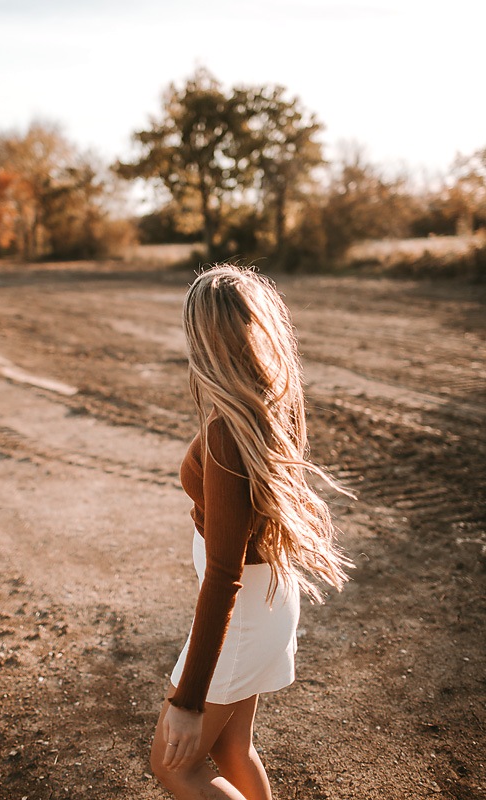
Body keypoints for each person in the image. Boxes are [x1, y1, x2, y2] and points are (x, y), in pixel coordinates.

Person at [150, 264, 351, 799]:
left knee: (175, 765)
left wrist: (189, 701)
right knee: (233, 750)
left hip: (241, 616)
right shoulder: (264, 403)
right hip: (265, 600)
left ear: (204, 338)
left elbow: (222, 576)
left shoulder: (227, 431)